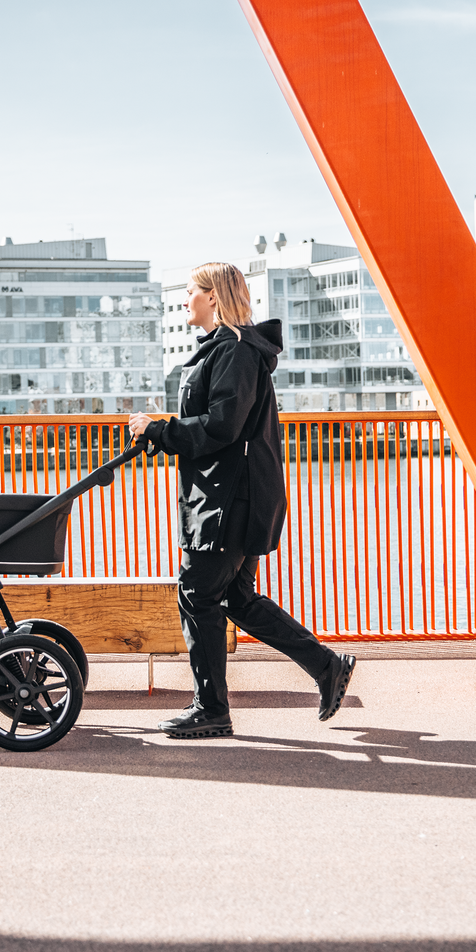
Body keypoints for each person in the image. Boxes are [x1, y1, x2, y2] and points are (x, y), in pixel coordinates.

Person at [128, 262, 355, 739]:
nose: (184, 298)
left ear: (212, 297)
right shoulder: (229, 350)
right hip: (232, 494)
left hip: (226, 500)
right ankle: (326, 666)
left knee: (197, 594)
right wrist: (165, 430)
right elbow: (220, 422)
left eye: (190, 290)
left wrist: (160, 429)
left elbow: (221, 426)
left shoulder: (233, 350)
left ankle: (211, 709)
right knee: (235, 597)